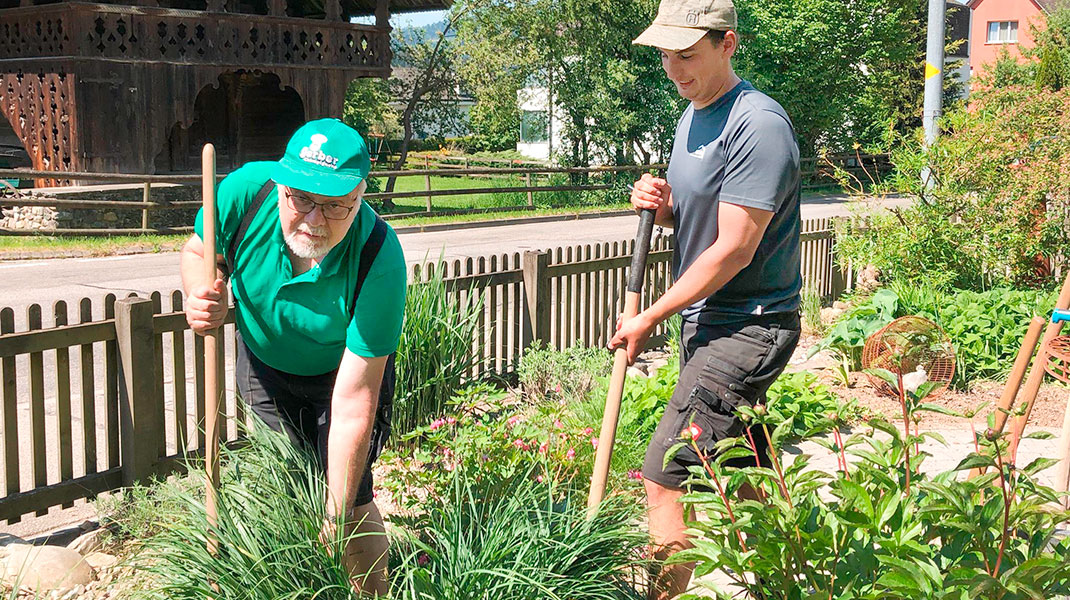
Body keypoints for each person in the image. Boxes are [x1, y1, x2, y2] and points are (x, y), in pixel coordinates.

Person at [608, 1, 802, 597]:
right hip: (708, 321)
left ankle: (662, 594)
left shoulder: (758, 125)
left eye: (687, 55)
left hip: (749, 324)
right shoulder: (693, 115)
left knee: (665, 473)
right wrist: (659, 203)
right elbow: (697, 218)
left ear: (728, 45)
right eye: (666, 55)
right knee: (745, 471)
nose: (674, 68)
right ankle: (795, 575)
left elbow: (735, 248)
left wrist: (649, 315)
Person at [180, 118, 407, 596]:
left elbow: (353, 404)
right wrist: (199, 294)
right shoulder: (244, 194)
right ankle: (288, 579)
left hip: (341, 378)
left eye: (335, 205)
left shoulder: (378, 257)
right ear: (282, 185)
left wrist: (335, 516)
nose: (314, 219)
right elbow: (200, 250)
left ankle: (370, 592)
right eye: (301, 198)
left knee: (350, 492)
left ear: (362, 196)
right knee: (285, 475)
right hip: (265, 366)